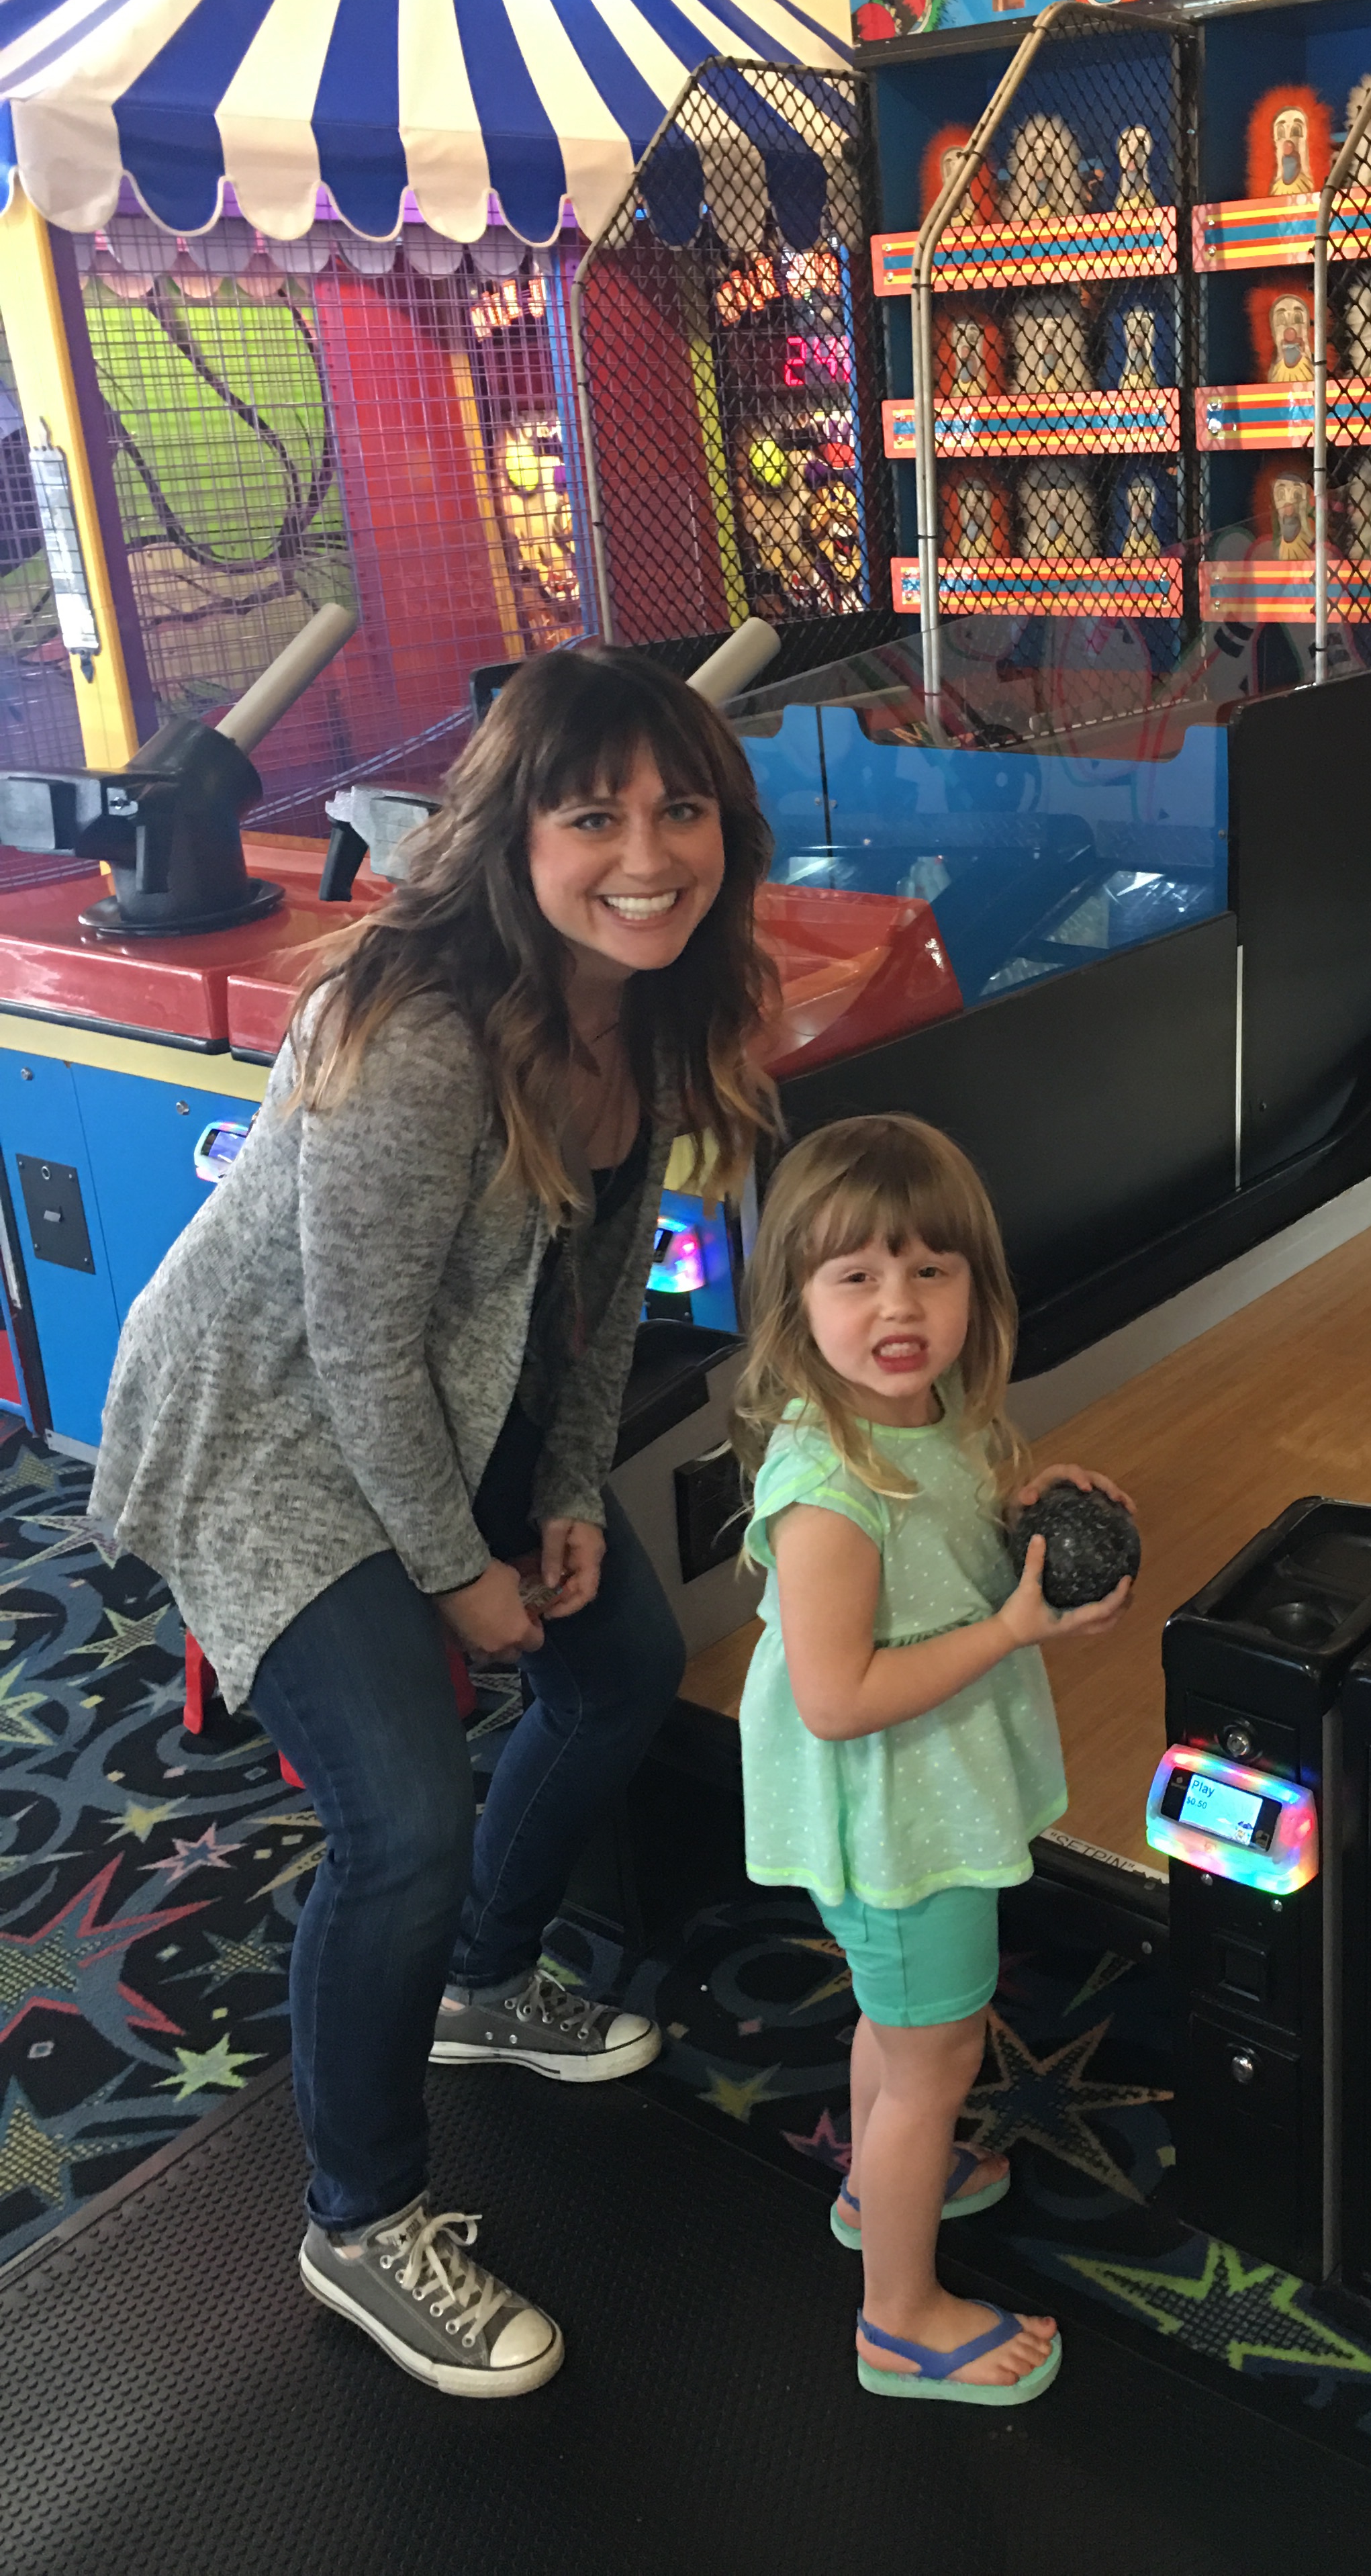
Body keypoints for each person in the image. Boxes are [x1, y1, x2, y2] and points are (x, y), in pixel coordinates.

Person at [89, 645, 776, 2397]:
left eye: (680, 807)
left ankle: (481, 1978)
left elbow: (606, 1291)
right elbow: (350, 1342)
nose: (648, 850)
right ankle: (359, 2215)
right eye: (594, 813)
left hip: (447, 1402)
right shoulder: (414, 1031)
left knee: (619, 1660)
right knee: (402, 1813)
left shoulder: (656, 1007)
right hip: (269, 1426)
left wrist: (558, 1499)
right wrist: (461, 1574)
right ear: (514, 838)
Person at [730, 1114, 1134, 2407]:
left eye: (931, 1271)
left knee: (904, 2030)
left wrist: (1027, 1505)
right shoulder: (826, 1495)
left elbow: (956, 1514)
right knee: (937, 2061)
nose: (898, 1306)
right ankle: (899, 2318)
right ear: (798, 1301)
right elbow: (839, 1697)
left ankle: (875, 2179)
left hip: (930, 1797)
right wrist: (1015, 1627)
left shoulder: (933, 1409)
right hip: (893, 1817)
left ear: (977, 1284)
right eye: (855, 1278)